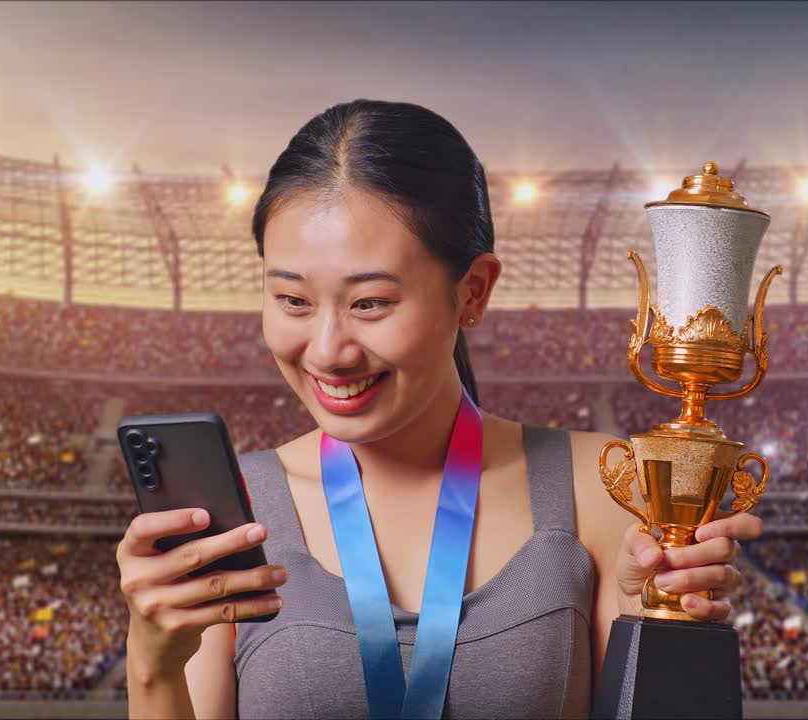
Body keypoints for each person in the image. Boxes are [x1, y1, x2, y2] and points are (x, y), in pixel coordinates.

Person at [116, 99, 763, 719]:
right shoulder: (230, 518)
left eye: (369, 302)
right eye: (292, 301)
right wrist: (152, 661)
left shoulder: (609, 489)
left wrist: (652, 618)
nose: (327, 350)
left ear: (473, 292)